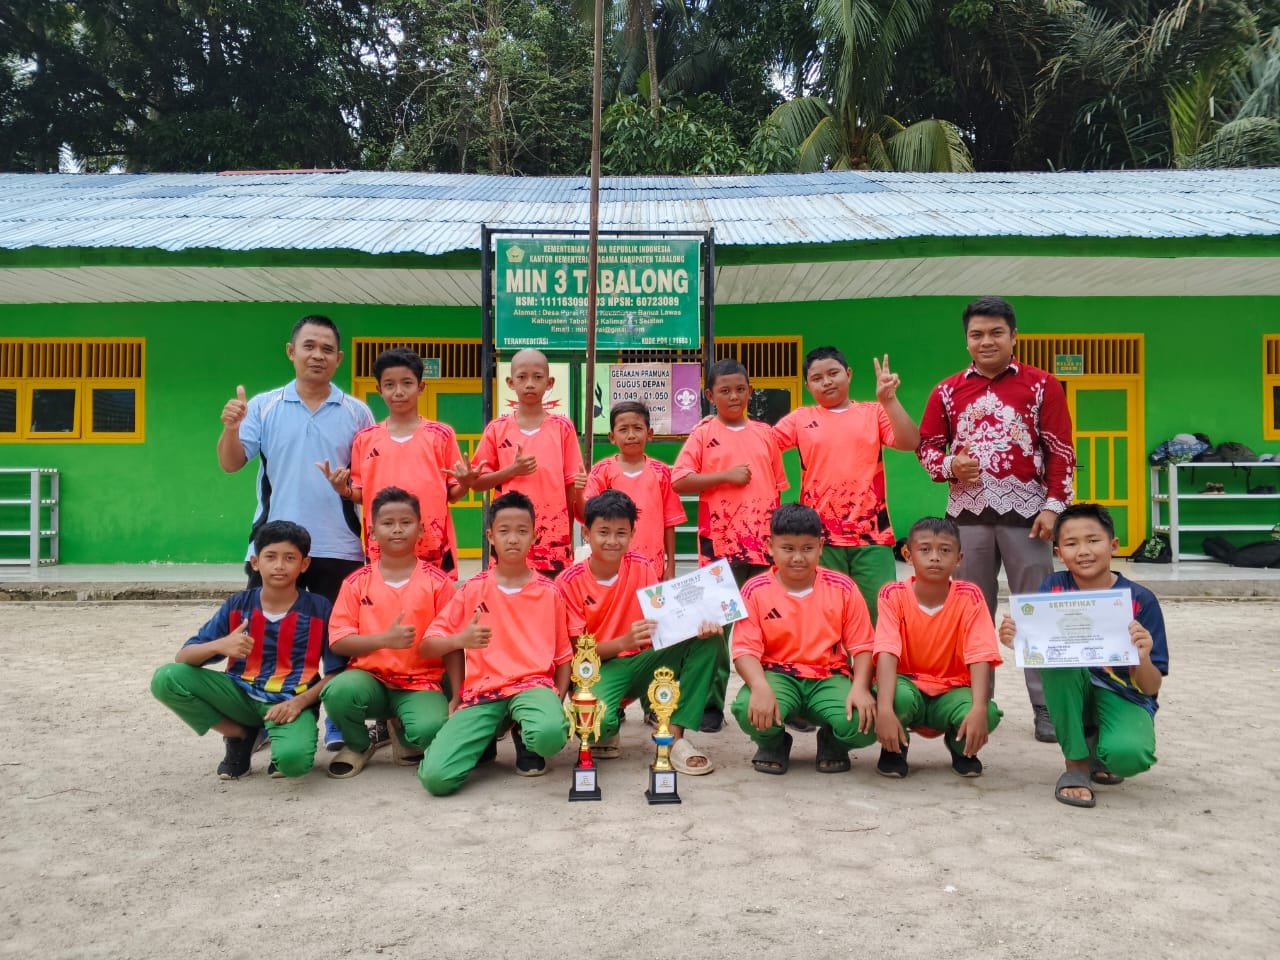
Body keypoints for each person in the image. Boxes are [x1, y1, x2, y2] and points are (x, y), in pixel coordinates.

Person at [917, 295, 1074, 742]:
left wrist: (1053, 507)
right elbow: (927, 447)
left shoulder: (1043, 386)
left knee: (1035, 609)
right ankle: (973, 702)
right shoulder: (946, 391)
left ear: (1013, 336)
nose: (986, 341)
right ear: (966, 340)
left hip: (1029, 517)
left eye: (996, 333)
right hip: (966, 518)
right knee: (970, 611)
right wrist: (950, 466)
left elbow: (1061, 450)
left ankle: (1046, 706)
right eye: (977, 334)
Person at [216, 314, 374, 751]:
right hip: (275, 548)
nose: (317, 355)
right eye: (309, 346)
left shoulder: (357, 412)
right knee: (262, 636)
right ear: (291, 352)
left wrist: (348, 487)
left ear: (339, 358)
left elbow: (368, 481)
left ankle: (338, 720)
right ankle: (257, 723)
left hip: (339, 545)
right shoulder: (262, 407)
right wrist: (230, 428)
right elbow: (231, 463)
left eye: (327, 349)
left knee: (338, 638)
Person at [998, 504, 1168, 808]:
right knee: (1057, 664)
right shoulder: (1053, 588)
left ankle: (1097, 746)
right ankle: (1076, 765)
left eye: (1093, 540)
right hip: (1073, 688)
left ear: (1113, 545)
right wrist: (1018, 639)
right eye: (1071, 543)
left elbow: (1152, 686)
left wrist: (1142, 656)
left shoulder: (1140, 600)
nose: (1083, 551)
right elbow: (1042, 648)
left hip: (1123, 693)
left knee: (1128, 757)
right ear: (1058, 552)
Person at [150, 521, 340, 780]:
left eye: (290, 558)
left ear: (304, 564)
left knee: (293, 764)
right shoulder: (238, 605)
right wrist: (220, 645)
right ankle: (239, 735)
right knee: (167, 678)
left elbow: (336, 671)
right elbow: (184, 657)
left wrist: (300, 702)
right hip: (239, 694)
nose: (279, 565)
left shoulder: (320, 609)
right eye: (270, 557)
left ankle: (281, 740)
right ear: (255, 562)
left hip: (289, 701)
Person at [418, 492, 572, 796]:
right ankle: (486, 736)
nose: (513, 539)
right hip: (483, 693)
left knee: (550, 735)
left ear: (535, 536)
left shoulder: (549, 592)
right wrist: (460, 641)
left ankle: (525, 732)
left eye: (522, 531)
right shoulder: (472, 590)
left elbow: (564, 657)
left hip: (533, 687)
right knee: (436, 778)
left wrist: (557, 700)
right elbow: (427, 646)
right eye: (504, 531)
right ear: (490, 536)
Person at [557, 490, 720, 774]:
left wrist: (698, 625)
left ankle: (674, 738)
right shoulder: (568, 582)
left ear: (633, 533)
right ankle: (609, 725)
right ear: (586, 532)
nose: (612, 540)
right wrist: (623, 642)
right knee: (596, 725)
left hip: (642, 660)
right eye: (603, 532)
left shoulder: (642, 566)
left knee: (709, 640)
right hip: (599, 668)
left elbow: (664, 622)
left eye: (621, 532)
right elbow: (574, 654)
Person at [673, 358, 787, 732]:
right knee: (715, 626)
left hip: (764, 547)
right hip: (719, 545)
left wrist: (780, 541)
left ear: (750, 391)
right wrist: (724, 476)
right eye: (725, 390)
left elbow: (778, 490)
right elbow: (680, 480)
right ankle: (710, 704)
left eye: (740, 389)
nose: (734, 396)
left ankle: (778, 696)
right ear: (710, 395)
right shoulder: (703, 434)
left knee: (769, 622)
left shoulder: (766, 434)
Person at [320, 487, 459, 780]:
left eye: (405, 522)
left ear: (421, 529)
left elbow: (452, 644)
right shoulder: (357, 583)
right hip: (370, 679)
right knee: (338, 692)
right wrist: (384, 640)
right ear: (372, 532)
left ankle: (403, 731)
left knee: (430, 730)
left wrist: (458, 695)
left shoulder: (438, 583)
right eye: (387, 523)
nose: (397, 529)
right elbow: (339, 641)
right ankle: (359, 745)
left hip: (420, 683)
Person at [774, 346, 920, 622]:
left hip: (872, 537)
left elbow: (910, 441)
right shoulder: (800, 419)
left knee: (880, 616)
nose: (827, 382)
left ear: (849, 374)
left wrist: (889, 400)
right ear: (807, 386)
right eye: (817, 378)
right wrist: (719, 425)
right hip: (820, 539)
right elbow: (760, 444)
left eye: (833, 373)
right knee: (828, 620)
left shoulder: (874, 413)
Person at [730, 503, 878, 775]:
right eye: (788, 548)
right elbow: (744, 651)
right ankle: (773, 744)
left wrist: (860, 688)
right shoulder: (755, 590)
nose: (798, 557)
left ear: (820, 547)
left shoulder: (843, 588)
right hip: (778, 676)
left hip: (829, 677)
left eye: (807, 548)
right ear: (770, 546)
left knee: (865, 722)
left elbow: (863, 646)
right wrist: (760, 687)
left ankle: (833, 743)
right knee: (746, 707)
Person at [324, 347, 478, 578]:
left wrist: (465, 482)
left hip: (432, 546)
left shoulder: (441, 435)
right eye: (389, 385)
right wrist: (343, 490)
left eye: (407, 383)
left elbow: (452, 494)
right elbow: (361, 494)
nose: (398, 392)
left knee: (434, 599)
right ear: (379, 389)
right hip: (382, 546)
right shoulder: (365, 439)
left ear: (421, 387)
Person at [873, 517, 1003, 779]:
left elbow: (980, 653)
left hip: (951, 691)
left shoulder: (970, 596)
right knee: (894, 698)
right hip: (908, 686)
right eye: (925, 549)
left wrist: (979, 707)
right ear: (908, 555)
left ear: (959, 558)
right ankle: (894, 749)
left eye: (945, 550)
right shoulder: (893, 595)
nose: (935, 557)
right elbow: (887, 650)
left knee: (986, 712)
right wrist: (884, 709)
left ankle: (961, 748)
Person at [471, 348, 586, 576]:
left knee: (551, 593)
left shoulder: (562, 428)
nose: (530, 384)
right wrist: (512, 471)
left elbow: (571, 486)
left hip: (553, 537)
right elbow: (476, 483)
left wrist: (569, 533)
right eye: (522, 377)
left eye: (537, 377)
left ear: (549, 382)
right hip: (510, 534)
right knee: (509, 592)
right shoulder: (497, 429)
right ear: (510, 382)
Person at [583, 401, 687, 580]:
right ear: (612, 437)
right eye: (623, 430)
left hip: (652, 566)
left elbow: (669, 522)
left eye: (637, 428)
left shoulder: (661, 472)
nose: (631, 435)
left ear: (650, 433)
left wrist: (671, 564)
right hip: (611, 565)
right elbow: (588, 514)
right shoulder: (602, 471)